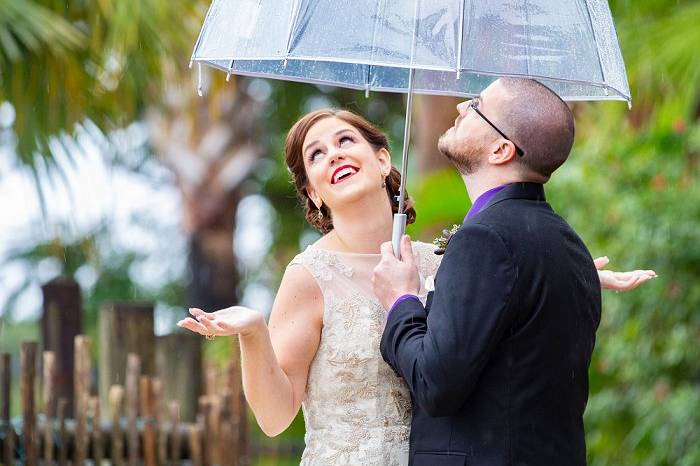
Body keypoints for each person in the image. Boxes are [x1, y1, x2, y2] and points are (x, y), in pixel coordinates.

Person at [178, 106, 655, 465]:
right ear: (313, 193)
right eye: (316, 155)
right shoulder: (309, 276)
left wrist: (570, 271)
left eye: (346, 140)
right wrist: (254, 333)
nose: (334, 154)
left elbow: (497, 296)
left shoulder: (441, 260)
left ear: (383, 159)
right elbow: (276, 416)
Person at [371, 78, 655, 466]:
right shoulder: (568, 243)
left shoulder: (485, 239)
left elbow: (434, 384)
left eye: (476, 105)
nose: (459, 108)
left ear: (501, 149)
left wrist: (400, 300)